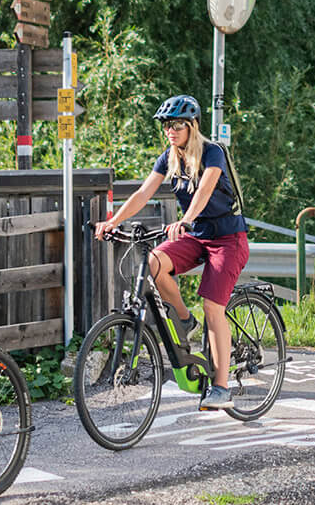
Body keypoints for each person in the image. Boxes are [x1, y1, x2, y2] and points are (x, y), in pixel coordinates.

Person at [94, 94, 249, 409]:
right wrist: (112, 221)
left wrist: (187, 219)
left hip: (227, 238)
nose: (171, 130)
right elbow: (142, 193)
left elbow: (205, 189)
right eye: (166, 125)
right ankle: (183, 319)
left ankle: (221, 387)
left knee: (213, 307)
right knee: (153, 263)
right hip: (196, 236)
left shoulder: (212, 152)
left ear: (192, 125)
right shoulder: (169, 157)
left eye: (177, 124)